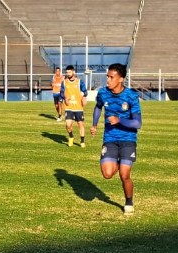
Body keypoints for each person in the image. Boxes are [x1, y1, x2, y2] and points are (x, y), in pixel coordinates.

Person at [90, 63, 142, 214]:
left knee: (124, 175)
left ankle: (129, 202)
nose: (108, 80)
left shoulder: (131, 96)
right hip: (110, 138)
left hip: (128, 139)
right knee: (107, 174)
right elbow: (98, 107)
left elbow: (137, 123)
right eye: (107, 76)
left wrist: (120, 120)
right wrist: (94, 124)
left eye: (111, 77)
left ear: (120, 79)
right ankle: (117, 162)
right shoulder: (103, 93)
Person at [60, 65, 88, 147]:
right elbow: (61, 92)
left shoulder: (79, 82)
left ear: (73, 72)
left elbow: (85, 91)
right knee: (68, 125)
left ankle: (82, 141)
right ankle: (71, 137)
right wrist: (65, 98)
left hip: (78, 107)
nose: (68, 74)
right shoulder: (64, 82)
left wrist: (83, 96)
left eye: (69, 72)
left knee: (81, 125)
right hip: (69, 107)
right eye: (67, 72)